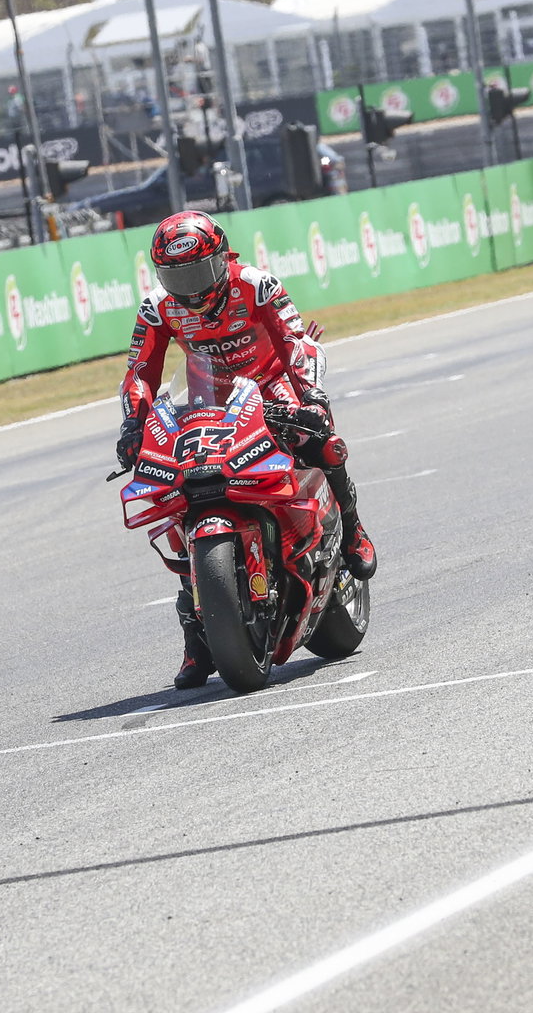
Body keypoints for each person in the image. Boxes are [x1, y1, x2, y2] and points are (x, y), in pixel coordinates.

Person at [116, 210, 376, 690]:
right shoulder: (157, 308)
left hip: (273, 386)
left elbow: (297, 342)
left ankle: (355, 530)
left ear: (222, 258)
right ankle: (197, 632)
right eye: (178, 276)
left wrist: (311, 399)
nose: (190, 288)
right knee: (174, 489)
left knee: (322, 442)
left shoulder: (256, 285)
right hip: (208, 397)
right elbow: (141, 372)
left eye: (199, 273)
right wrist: (134, 423)